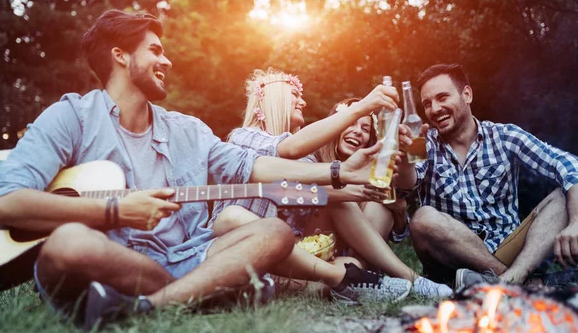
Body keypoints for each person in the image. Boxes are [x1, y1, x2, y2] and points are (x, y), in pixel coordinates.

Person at [0, 10, 390, 331]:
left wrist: (338, 173)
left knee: (275, 232)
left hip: (187, 257)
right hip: (112, 258)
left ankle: (146, 307)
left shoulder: (187, 129)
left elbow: (254, 166)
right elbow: (7, 203)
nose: (167, 60)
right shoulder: (71, 116)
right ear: (120, 55)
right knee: (67, 243)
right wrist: (115, 212)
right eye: (155, 50)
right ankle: (214, 290)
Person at [211, 69, 452, 298]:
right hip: (244, 242)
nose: (302, 102)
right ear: (272, 100)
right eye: (295, 95)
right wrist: (362, 107)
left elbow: (312, 193)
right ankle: (337, 283)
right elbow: (289, 150)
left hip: (290, 248)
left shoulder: (307, 157)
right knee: (333, 208)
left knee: (341, 213)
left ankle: (406, 280)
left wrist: (369, 187)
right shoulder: (243, 137)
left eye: (365, 128)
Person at [397, 63, 578, 289]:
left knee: (563, 194)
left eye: (442, 97)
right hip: (451, 259)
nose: (434, 109)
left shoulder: (504, 136)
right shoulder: (423, 142)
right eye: (427, 103)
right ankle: (521, 283)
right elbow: (406, 185)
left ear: (467, 94)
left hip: (507, 250)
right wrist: (405, 159)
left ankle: (505, 281)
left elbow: (568, 165)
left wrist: (576, 221)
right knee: (423, 218)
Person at [316, 98, 410, 244]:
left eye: (365, 129)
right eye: (351, 123)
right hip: (318, 242)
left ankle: (358, 265)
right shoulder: (314, 158)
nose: (358, 131)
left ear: (368, 140)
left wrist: (401, 210)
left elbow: (397, 236)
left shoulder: (374, 170)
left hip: (359, 248)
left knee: (379, 206)